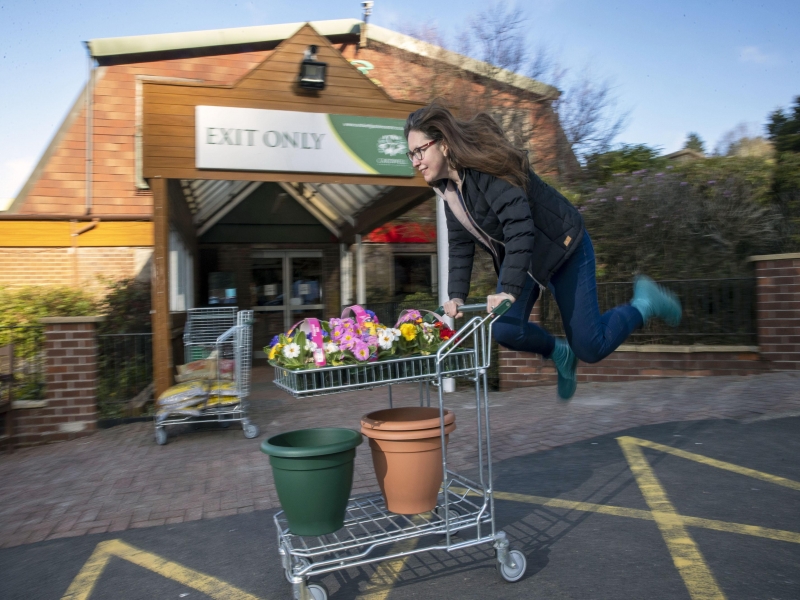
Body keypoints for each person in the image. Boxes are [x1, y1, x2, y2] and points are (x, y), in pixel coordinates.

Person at [404, 102, 682, 400]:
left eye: (420, 150)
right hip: (524, 260)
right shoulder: (450, 191)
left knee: (590, 346)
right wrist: (456, 295)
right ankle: (560, 354)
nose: (416, 162)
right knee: (506, 330)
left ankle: (644, 303)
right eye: (411, 155)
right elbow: (459, 245)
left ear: (443, 145)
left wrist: (508, 289)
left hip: (563, 247)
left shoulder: (485, 170)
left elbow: (518, 224)